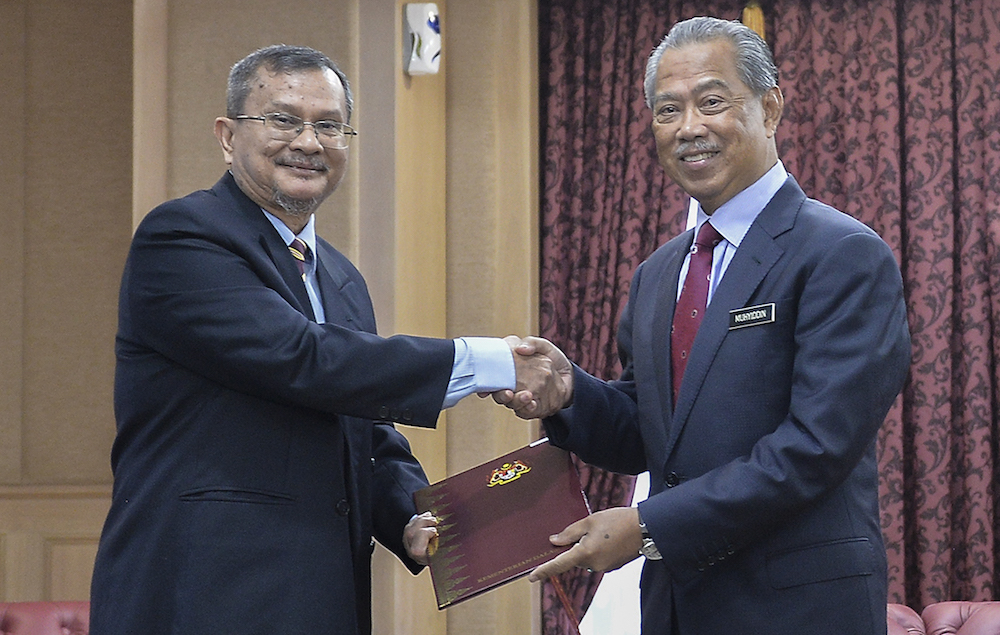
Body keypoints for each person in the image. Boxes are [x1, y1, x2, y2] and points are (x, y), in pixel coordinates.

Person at [89, 44, 560, 635]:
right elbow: (303, 361)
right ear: (228, 135)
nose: (309, 143)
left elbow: (364, 433)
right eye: (284, 120)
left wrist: (412, 515)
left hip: (321, 595)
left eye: (330, 126)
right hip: (201, 595)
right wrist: (491, 361)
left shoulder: (341, 278)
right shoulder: (183, 238)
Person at [496, 16, 911, 635]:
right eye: (668, 111)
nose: (690, 128)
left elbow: (815, 448)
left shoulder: (842, 253)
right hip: (678, 606)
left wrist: (648, 526)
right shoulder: (659, 275)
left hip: (799, 608)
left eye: (712, 102)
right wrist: (569, 392)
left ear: (770, 108)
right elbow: (650, 433)